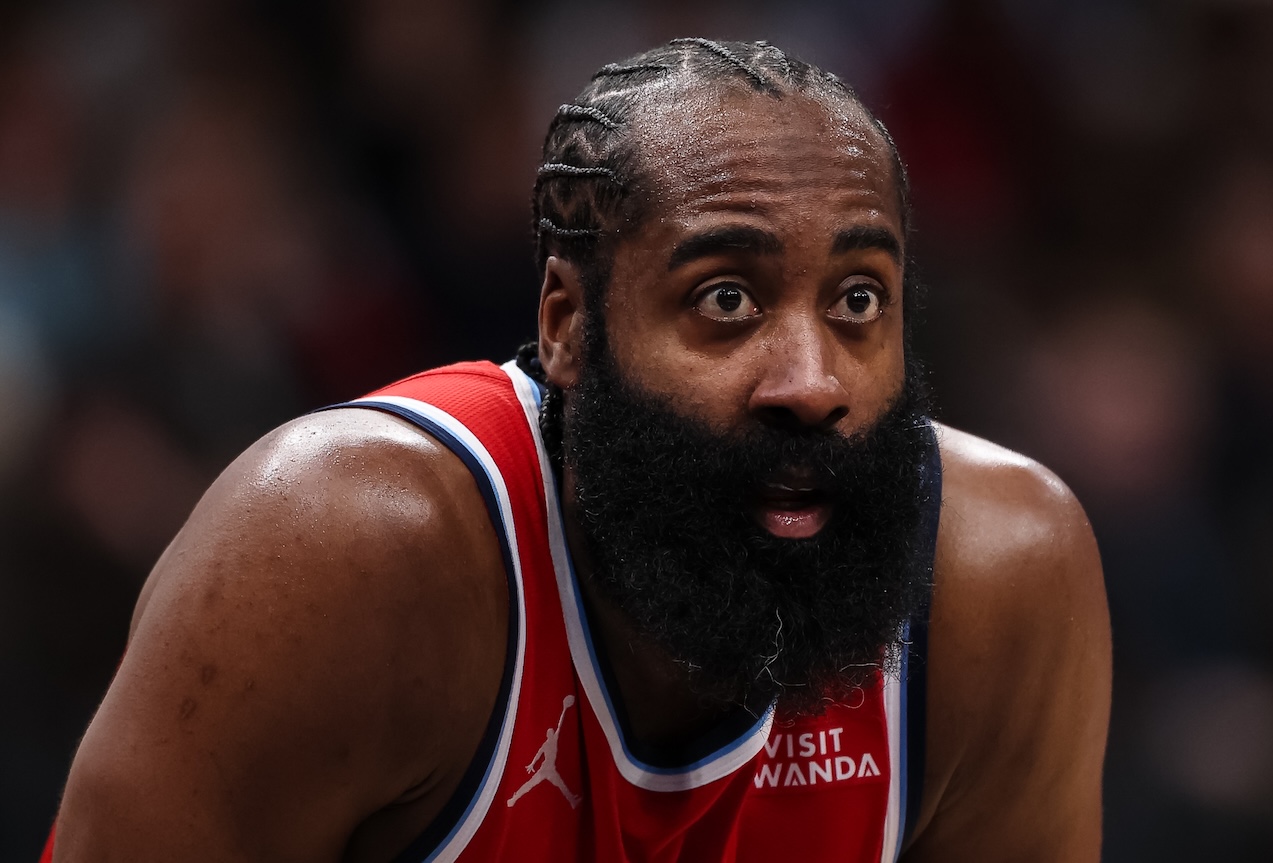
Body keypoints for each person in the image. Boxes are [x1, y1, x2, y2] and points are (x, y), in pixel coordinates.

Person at [46, 39, 1110, 862]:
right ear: (567, 321)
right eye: (726, 299)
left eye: (858, 299)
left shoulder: (995, 579)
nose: (813, 382)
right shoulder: (345, 552)